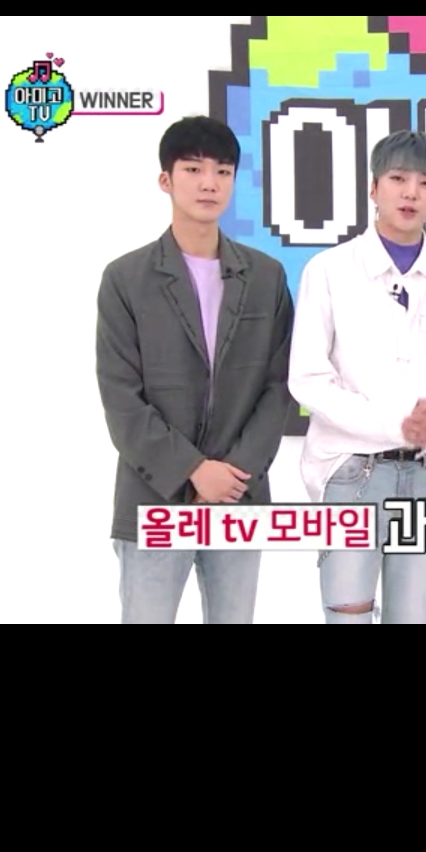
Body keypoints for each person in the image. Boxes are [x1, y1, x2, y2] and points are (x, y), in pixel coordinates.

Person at [288, 131, 426, 624]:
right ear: (373, 188)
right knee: (348, 615)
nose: (410, 193)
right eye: (398, 179)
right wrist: (394, 425)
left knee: (414, 618)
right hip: (350, 474)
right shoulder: (329, 271)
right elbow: (308, 378)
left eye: (425, 183)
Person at [96, 116, 294, 624]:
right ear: (166, 179)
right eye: (193, 169)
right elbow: (121, 399)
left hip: (238, 497)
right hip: (154, 497)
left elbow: (279, 387)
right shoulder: (126, 279)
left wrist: (231, 474)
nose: (209, 183)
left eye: (223, 172)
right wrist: (193, 470)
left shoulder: (266, 277)